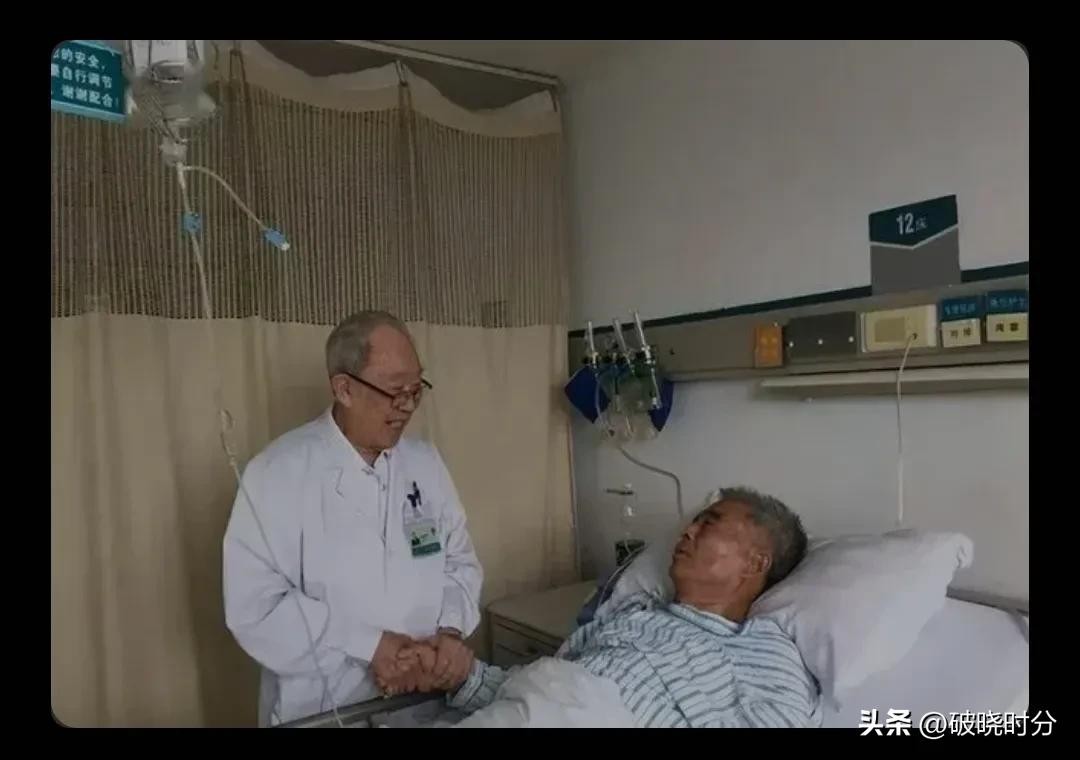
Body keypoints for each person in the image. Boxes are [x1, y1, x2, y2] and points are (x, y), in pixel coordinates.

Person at [222, 310, 483, 727]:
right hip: (324, 710)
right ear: (343, 388)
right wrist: (372, 646)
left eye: (416, 390)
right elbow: (256, 607)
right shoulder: (277, 472)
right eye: (395, 391)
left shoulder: (425, 463)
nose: (407, 406)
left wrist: (449, 634)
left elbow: (459, 563)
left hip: (422, 706)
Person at [391, 487, 820, 728]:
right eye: (692, 522)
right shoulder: (631, 616)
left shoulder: (763, 648)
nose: (687, 532)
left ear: (756, 563)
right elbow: (539, 688)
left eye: (708, 525)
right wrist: (462, 674)